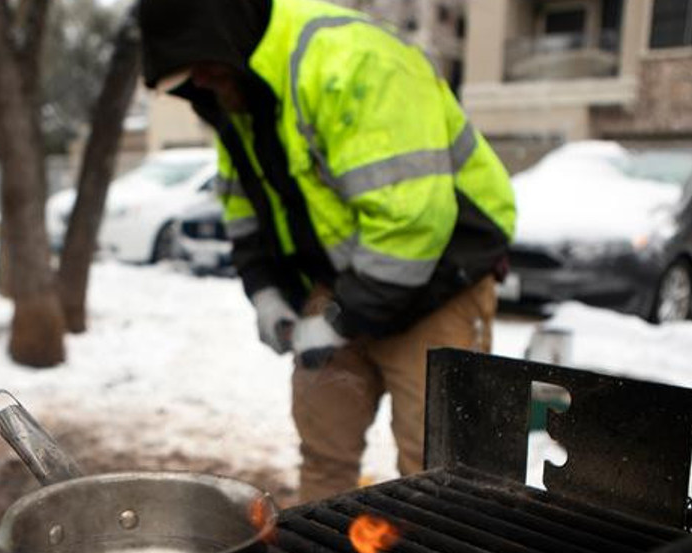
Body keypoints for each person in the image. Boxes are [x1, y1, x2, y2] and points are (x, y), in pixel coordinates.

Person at [138, 0, 516, 502]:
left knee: (438, 469)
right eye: (187, 75)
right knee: (324, 455)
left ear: (233, 33)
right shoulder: (235, 99)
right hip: (341, 286)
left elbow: (412, 223)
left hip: (439, 282)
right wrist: (267, 292)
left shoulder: (354, 61)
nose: (201, 83)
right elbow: (245, 210)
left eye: (205, 65)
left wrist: (338, 320)